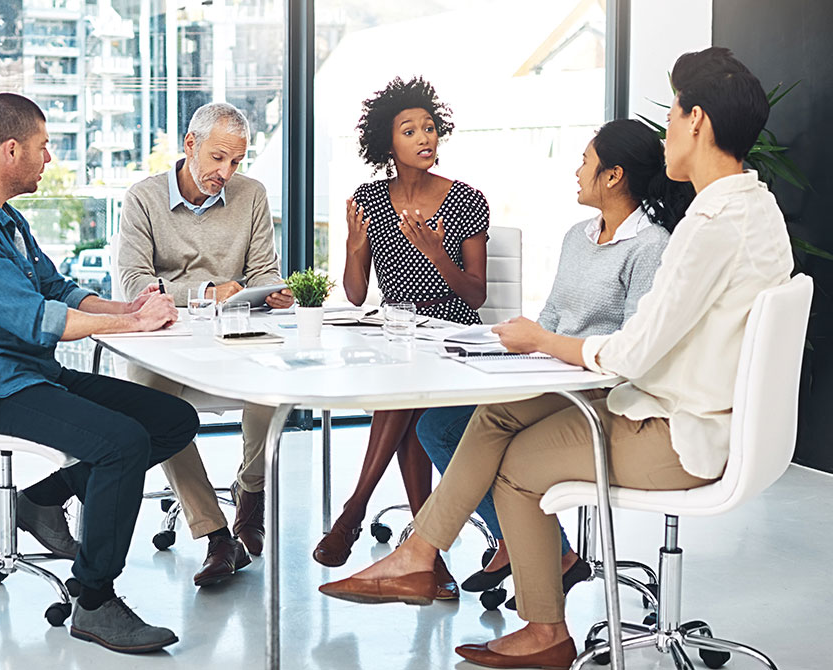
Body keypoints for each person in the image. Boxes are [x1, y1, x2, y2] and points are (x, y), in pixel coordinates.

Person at [319, 47, 792, 670]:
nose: (669, 128)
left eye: (674, 115)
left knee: (514, 462)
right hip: (692, 409)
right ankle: (427, 561)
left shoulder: (706, 230)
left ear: (696, 120)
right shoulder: (751, 208)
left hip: (681, 431)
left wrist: (544, 344)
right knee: (493, 416)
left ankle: (521, 617)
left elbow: (634, 351)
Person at [0, 92, 199, 654]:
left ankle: (43, 498)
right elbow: (34, 317)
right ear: (11, 149)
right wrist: (133, 329)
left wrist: (129, 308)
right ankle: (93, 601)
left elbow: (56, 289)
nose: (49, 160)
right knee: (119, 444)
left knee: (171, 419)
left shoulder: (3, 217)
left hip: (27, 372)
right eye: (43, 149)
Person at [417, 118, 694, 610]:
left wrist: (546, 343)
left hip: (596, 388)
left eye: (585, 162)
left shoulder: (652, 246)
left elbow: (632, 345)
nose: (577, 171)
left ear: (613, 176)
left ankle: (426, 554)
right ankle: (524, 546)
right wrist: (510, 345)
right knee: (437, 426)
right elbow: (553, 317)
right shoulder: (577, 235)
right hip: (548, 373)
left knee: (499, 436)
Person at [313, 77, 489, 598]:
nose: (424, 137)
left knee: (403, 398)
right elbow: (354, 292)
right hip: (396, 333)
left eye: (429, 127)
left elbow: (475, 296)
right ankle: (426, 555)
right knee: (406, 401)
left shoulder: (467, 201)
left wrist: (437, 253)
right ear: (388, 144)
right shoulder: (368, 201)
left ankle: (354, 509)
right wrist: (352, 243)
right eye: (409, 130)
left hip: (454, 335)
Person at [119, 102, 294, 586]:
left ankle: (251, 492)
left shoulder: (251, 195)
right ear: (190, 144)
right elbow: (133, 283)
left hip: (232, 331)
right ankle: (217, 535)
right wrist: (202, 294)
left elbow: (261, 270)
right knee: (150, 408)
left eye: (236, 162)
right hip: (167, 335)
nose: (226, 172)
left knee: (274, 385)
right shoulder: (143, 198)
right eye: (218, 158)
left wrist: (272, 289)